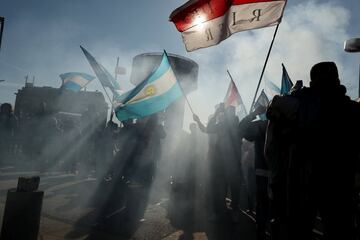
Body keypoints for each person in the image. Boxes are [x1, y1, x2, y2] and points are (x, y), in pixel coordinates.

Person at [265, 62, 360, 240]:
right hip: (340, 184)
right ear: (337, 79)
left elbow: (273, 116)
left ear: (313, 81)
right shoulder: (352, 110)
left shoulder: (299, 104)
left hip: (306, 182)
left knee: (299, 230)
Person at [193, 103, 242, 222]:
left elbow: (207, 128)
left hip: (233, 163)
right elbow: (207, 129)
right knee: (221, 188)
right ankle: (220, 211)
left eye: (230, 111)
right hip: (222, 163)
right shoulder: (222, 125)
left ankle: (233, 211)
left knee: (234, 188)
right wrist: (202, 119)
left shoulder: (237, 126)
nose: (228, 114)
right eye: (227, 112)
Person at [239, 105, 270, 240]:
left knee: (263, 204)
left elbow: (241, 128)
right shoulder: (264, 126)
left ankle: (262, 231)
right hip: (276, 173)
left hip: (265, 173)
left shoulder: (262, 126)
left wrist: (254, 114)